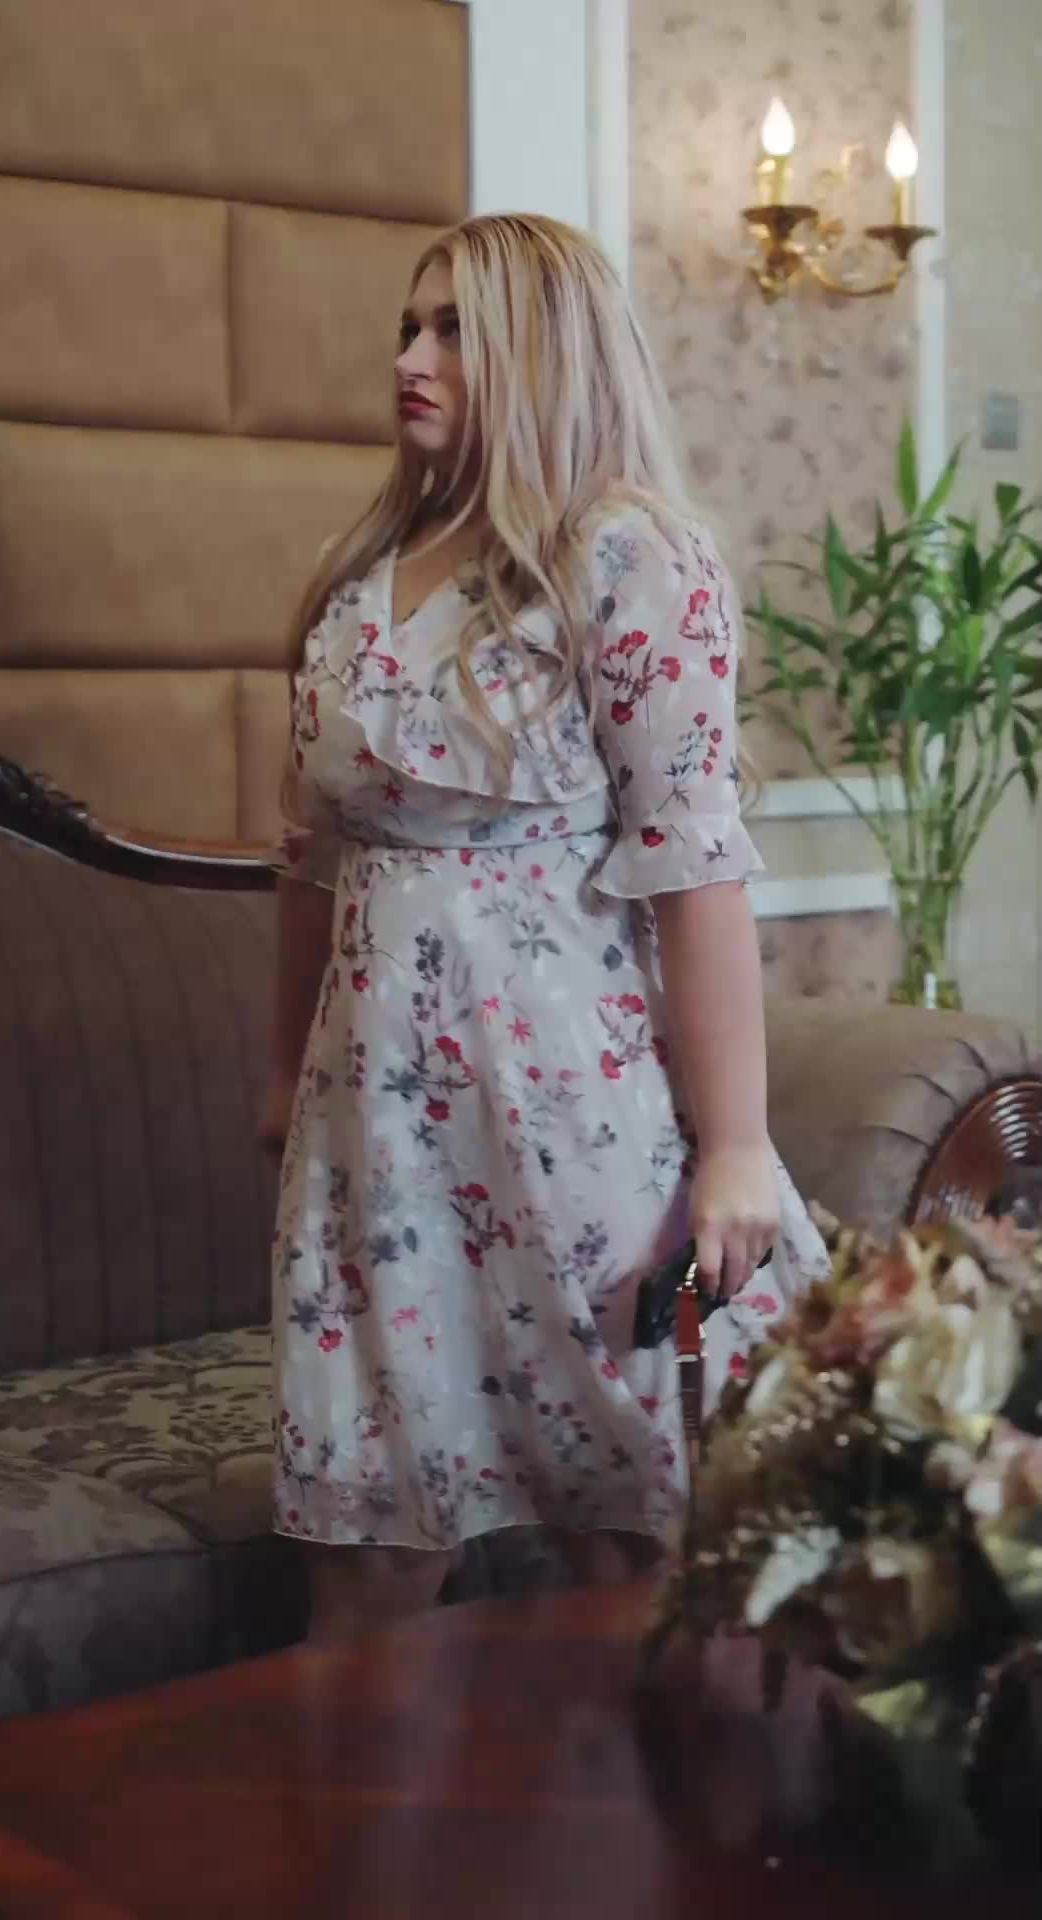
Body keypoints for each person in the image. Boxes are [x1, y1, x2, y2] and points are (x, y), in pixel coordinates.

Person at [260, 212, 828, 1639]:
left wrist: (737, 1147)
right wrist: (281, 1074)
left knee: (638, 1522)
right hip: (377, 1134)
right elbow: (310, 862)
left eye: (455, 329)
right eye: (409, 327)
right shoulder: (358, 568)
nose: (412, 357)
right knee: (370, 1533)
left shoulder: (631, 558)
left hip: (583, 1120)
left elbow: (695, 865)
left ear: (546, 349)